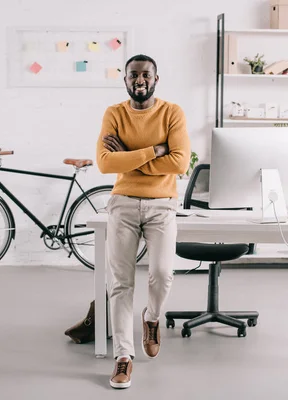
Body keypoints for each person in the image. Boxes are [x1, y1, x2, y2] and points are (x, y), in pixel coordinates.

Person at [96, 54, 190, 389]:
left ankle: (151, 317)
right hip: (122, 202)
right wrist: (154, 151)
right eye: (133, 75)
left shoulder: (171, 113)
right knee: (121, 282)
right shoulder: (114, 113)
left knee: (162, 273)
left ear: (155, 79)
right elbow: (106, 164)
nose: (140, 80)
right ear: (125, 80)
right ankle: (123, 356)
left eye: (145, 75)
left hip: (162, 204)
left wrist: (129, 155)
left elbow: (179, 163)